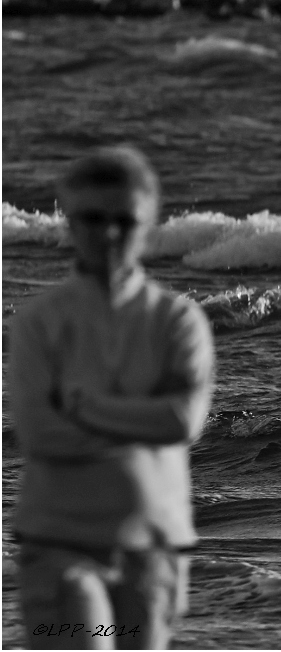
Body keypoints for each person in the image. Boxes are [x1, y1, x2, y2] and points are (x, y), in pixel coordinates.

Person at [9, 146, 215, 649]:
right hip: (60, 544)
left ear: (148, 222)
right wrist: (140, 426)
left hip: (153, 547)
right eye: (92, 218)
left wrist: (86, 407)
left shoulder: (177, 320)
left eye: (124, 220)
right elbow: (39, 433)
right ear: (68, 222)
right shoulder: (38, 323)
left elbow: (182, 422)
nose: (108, 233)